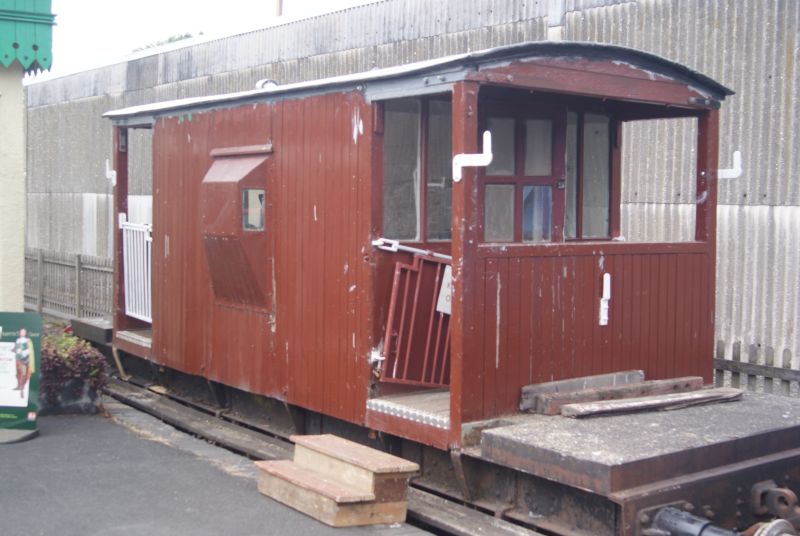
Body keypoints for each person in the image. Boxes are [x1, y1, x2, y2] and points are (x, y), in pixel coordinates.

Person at [13, 328, 34, 399]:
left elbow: (29, 350)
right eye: (21, 332)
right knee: (18, 373)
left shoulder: (28, 340)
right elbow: (15, 349)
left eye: (24, 332)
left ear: (26, 333)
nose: (22, 333)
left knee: (23, 374)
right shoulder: (18, 340)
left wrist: (22, 351)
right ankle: (18, 386)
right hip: (17, 359)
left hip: (24, 360)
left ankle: (22, 389)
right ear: (19, 333)